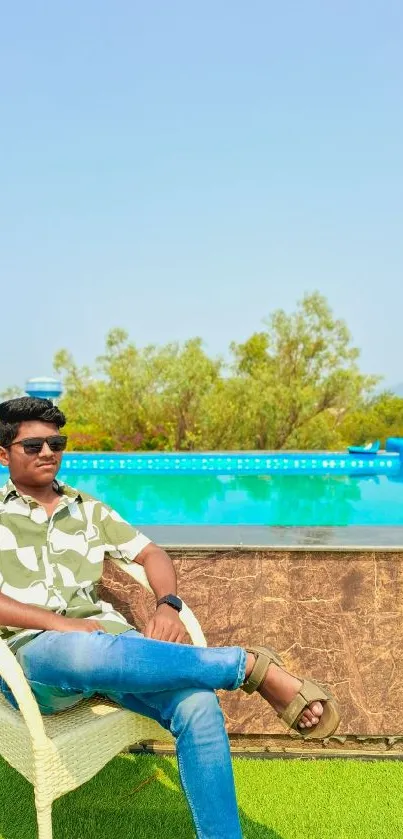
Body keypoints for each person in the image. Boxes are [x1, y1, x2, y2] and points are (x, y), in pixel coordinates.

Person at [0, 397, 339, 839]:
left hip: (112, 648)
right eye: (34, 446)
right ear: (4, 454)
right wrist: (62, 625)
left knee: (198, 704)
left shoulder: (89, 510)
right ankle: (248, 666)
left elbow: (150, 553)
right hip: (35, 659)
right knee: (80, 646)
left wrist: (168, 603)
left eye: (56, 442)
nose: (48, 453)